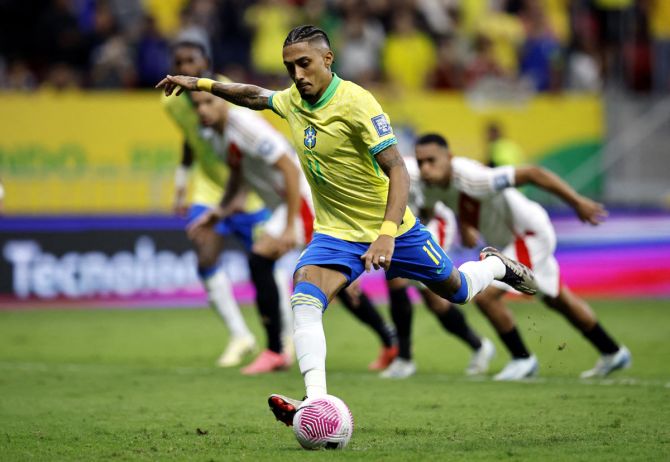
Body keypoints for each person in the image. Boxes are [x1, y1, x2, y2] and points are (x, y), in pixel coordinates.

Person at [156, 25, 536, 426]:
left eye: (304, 64)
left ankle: (496, 266)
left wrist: (387, 233)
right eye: (290, 67)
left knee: (456, 291)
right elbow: (253, 95)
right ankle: (315, 403)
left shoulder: (357, 102)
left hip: (395, 230)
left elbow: (399, 172)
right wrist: (200, 83)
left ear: (327, 59)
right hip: (335, 234)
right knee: (304, 301)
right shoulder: (292, 100)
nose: (298, 75)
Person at [414, 133, 632, 380]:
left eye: (432, 161)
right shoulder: (431, 185)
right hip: (511, 241)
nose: (425, 168)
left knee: (485, 296)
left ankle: (522, 359)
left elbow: (533, 174)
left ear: (450, 158)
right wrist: (465, 228)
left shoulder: (473, 178)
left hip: (527, 235)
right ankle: (612, 352)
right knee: (557, 299)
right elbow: (437, 207)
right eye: (421, 162)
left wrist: (577, 202)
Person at [164, 30, 291, 369]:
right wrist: (181, 183)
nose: (186, 67)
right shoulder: (172, 100)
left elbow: (257, 148)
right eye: (179, 63)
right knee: (205, 252)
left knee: (268, 261)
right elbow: (192, 139)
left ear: (206, 63)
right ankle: (241, 335)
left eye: (191, 61)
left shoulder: (226, 92)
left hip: (251, 190)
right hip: (212, 186)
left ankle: (284, 336)